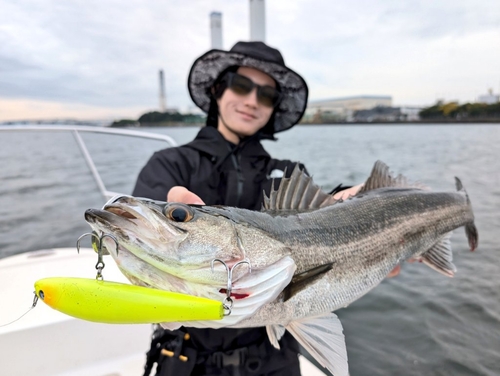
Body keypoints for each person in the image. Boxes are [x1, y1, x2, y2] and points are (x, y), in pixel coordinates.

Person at [133, 41, 367, 376]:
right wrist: (175, 222)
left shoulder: (289, 173)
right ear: (217, 89)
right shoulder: (170, 165)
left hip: (274, 358)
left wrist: (354, 207)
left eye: (267, 95)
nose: (252, 100)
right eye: (241, 86)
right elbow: (144, 250)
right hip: (187, 360)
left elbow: (314, 218)